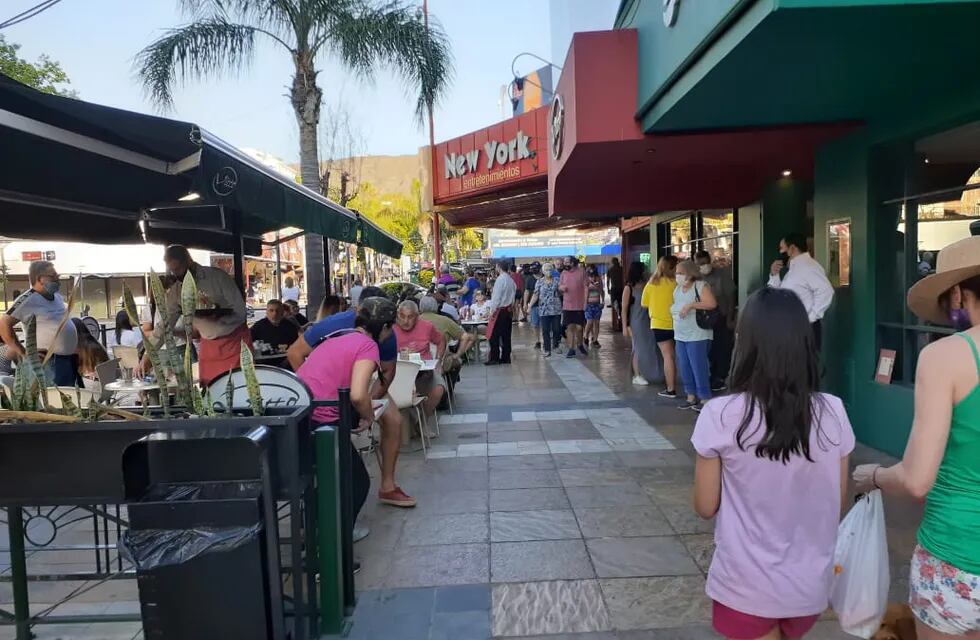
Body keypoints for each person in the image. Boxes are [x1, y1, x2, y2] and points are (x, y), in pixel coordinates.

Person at [692, 287, 854, 640]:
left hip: (745, 585)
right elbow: (837, 501)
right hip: (809, 587)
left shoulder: (720, 415)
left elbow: (705, 506)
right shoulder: (833, 411)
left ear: (744, 342)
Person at [853, 235, 980, 639]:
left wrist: (874, 475)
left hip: (958, 553)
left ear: (958, 293)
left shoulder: (947, 357)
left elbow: (916, 479)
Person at [288, 286, 415, 508]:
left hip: (339, 392)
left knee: (394, 420)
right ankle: (338, 527)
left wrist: (363, 406)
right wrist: (322, 389)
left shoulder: (365, 336)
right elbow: (294, 353)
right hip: (327, 400)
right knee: (356, 481)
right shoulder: (340, 328)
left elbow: (387, 372)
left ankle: (388, 486)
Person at [296, 296, 400, 544]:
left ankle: (315, 537)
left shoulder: (339, 335)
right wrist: (368, 416)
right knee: (356, 483)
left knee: (324, 481)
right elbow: (357, 394)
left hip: (300, 414)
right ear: (384, 327)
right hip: (323, 421)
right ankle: (334, 546)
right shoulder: (367, 346)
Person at [140, 246, 249, 386]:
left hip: (235, 343)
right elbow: (163, 327)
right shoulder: (176, 292)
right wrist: (147, 356)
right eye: (173, 271)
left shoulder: (217, 277)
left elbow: (240, 311)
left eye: (178, 268)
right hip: (208, 346)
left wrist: (218, 314)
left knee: (240, 388)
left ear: (188, 260)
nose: (177, 274)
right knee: (211, 392)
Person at [0, 260, 79, 385]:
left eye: (57, 276)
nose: (57, 280)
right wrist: (24, 353)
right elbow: (4, 324)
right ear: (39, 278)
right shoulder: (27, 299)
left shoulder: (56, 296)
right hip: (48, 362)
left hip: (67, 360)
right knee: (54, 401)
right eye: (52, 276)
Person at [768, 232, 834, 350]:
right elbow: (777, 295)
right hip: (790, 327)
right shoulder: (793, 269)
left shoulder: (808, 266)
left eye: (782, 248)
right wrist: (774, 275)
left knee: (802, 366)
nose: (780, 252)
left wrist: (810, 318)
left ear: (792, 248)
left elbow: (826, 291)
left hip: (803, 329)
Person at [671, 259, 717, 412]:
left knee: (699, 366)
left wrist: (691, 305)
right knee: (685, 366)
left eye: (681, 273)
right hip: (680, 334)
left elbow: (711, 304)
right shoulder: (677, 289)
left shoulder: (700, 286)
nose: (677, 276)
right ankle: (690, 396)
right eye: (676, 273)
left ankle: (704, 397)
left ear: (690, 274)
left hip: (698, 334)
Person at [394, 300, 447, 421]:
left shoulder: (426, 326)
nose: (405, 321)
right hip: (399, 374)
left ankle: (422, 421)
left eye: (410, 317)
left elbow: (441, 340)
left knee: (439, 389)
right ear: (397, 315)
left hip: (424, 372)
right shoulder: (391, 330)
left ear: (417, 317)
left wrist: (439, 360)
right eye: (402, 316)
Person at [696, 250, 736, 391]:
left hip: (721, 317)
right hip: (704, 320)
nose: (704, 266)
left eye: (706, 263)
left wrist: (730, 318)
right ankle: (711, 375)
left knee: (723, 349)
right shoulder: (696, 278)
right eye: (701, 264)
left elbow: (731, 297)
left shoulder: (722, 275)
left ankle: (720, 377)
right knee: (710, 350)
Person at [642, 256, 679, 397]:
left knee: (667, 356)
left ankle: (671, 388)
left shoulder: (651, 284)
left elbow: (644, 304)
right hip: (679, 323)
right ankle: (691, 391)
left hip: (659, 324)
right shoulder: (678, 283)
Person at [419, 296, 475, 370]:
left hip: (418, 361)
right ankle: (450, 380)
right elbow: (467, 337)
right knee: (457, 362)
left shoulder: (413, 321)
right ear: (436, 306)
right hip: (441, 360)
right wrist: (457, 355)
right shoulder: (445, 320)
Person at [623, 261, 652, 385]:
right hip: (636, 320)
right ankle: (636, 374)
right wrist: (625, 326)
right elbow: (624, 308)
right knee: (637, 346)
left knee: (646, 346)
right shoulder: (628, 287)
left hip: (648, 320)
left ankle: (643, 371)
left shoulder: (647, 285)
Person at [486, 261, 517, 365]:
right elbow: (514, 294)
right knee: (506, 335)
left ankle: (494, 357)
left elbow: (496, 297)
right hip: (508, 310)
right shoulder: (511, 280)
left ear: (498, 267)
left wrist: (492, 311)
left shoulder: (500, 280)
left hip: (500, 310)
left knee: (494, 335)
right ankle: (506, 357)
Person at [528, 268, 562, 357]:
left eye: (550, 269)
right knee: (545, 330)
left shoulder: (557, 280)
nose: (548, 271)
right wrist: (529, 306)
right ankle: (547, 349)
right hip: (544, 309)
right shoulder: (539, 282)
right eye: (546, 270)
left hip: (556, 309)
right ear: (543, 271)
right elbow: (536, 294)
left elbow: (561, 292)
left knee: (556, 329)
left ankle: (556, 345)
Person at [559, 256, 588, 358]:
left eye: (567, 262)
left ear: (573, 263)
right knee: (570, 327)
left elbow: (586, 287)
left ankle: (580, 344)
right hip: (567, 305)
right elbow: (560, 286)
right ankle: (571, 348)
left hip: (579, 305)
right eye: (565, 262)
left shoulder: (582, 272)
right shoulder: (563, 273)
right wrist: (562, 288)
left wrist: (585, 302)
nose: (565, 264)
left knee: (579, 328)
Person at [71, 317, 109, 385]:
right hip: (104, 384)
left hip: (93, 387)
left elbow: (89, 374)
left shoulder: (85, 351)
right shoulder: (96, 345)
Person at [523, 264, 544, 350]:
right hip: (534, 305)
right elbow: (527, 291)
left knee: (544, 324)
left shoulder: (544, 277)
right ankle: (537, 341)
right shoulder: (529, 279)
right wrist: (525, 303)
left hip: (544, 305)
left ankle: (545, 340)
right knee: (535, 324)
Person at [584, 266, 604, 348]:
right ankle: (585, 336)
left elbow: (602, 291)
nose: (593, 278)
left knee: (597, 322)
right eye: (591, 276)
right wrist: (585, 304)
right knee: (590, 321)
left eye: (594, 276)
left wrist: (603, 301)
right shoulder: (586, 281)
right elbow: (585, 293)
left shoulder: (599, 280)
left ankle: (595, 339)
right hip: (589, 304)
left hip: (597, 304)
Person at [607, 257, 624, 332]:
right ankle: (621, 318)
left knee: (615, 304)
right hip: (621, 288)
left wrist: (608, 289)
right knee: (622, 305)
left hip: (614, 289)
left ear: (613, 262)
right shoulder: (622, 269)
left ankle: (618, 314)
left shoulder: (610, 270)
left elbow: (608, 280)